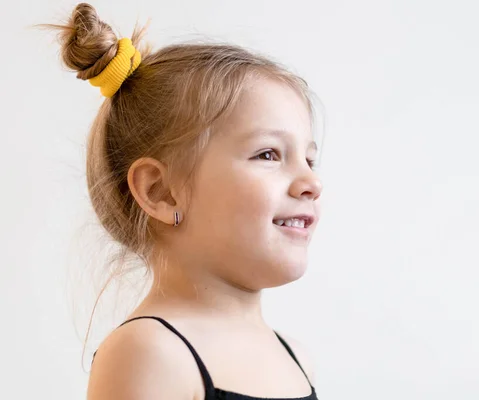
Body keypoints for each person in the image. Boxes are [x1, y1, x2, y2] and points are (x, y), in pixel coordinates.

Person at [45, 3, 323, 399]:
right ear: (160, 191)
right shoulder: (148, 354)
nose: (311, 181)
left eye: (310, 159)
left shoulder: (296, 357)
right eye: (268, 154)